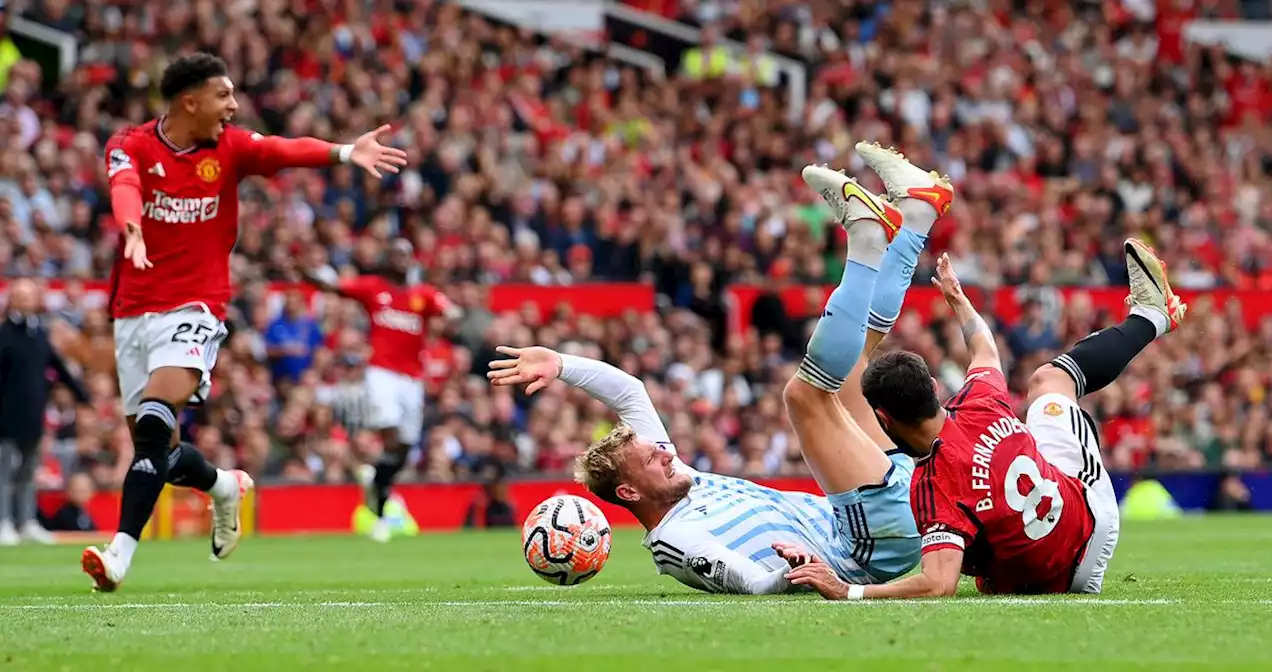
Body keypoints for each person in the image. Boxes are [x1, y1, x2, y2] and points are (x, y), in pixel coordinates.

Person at [488, 144, 955, 594]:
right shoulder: (677, 542)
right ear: (630, 492)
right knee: (803, 395)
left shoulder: (673, 476)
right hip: (866, 546)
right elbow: (749, 582)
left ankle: (918, 214)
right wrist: (795, 572)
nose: (668, 453)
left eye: (658, 450)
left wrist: (560, 362)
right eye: (653, 459)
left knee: (857, 367)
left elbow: (628, 392)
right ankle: (868, 239)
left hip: (872, 512)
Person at [83, 52, 408, 592]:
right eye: (223, 96)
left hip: (196, 307)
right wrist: (131, 226)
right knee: (157, 452)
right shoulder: (130, 144)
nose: (233, 106)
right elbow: (125, 188)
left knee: (153, 426)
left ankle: (117, 556)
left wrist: (348, 151)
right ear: (190, 101)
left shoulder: (229, 148)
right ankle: (222, 486)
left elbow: (283, 150)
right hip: (133, 313)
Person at [785, 238, 1185, 599]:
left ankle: (1152, 313)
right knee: (1051, 380)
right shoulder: (979, 397)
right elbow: (984, 349)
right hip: (1089, 519)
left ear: (884, 421)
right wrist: (958, 301)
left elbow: (939, 584)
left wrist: (849, 591)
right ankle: (1150, 317)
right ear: (934, 389)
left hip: (1061, 574)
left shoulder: (932, 485)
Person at [302, 238, 461, 542]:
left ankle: (378, 486)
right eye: (396, 254)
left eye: (406, 254)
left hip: (412, 380)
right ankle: (378, 489)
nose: (402, 259)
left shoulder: (422, 295)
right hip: (381, 373)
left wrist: (452, 314)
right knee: (389, 431)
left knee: (404, 447)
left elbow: (449, 311)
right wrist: (305, 273)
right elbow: (334, 286)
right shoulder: (374, 288)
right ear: (388, 260)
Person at [0, 279, 90, 545]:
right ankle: (4, 522)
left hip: (33, 413)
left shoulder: (39, 333)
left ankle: (26, 521)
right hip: (6, 416)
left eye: (30, 296)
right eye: (21, 296)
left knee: (28, 472)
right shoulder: (4, 334)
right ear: (12, 300)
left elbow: (58, 366)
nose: (26, 301)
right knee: (4, 472)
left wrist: (82, 396)